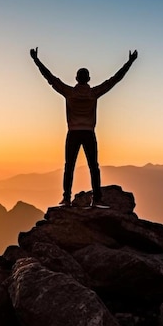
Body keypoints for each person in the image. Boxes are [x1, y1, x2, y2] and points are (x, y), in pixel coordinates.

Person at [30, 47, 138, 207]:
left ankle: (66, 198)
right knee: (93, 166)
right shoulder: (94, 93)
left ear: (76, 78)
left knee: (69, 166)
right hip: (89, 133)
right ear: (89, 78)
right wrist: (130, 62)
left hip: (73, 133)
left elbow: (50, 78)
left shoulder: (69, 92)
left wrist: (36, 60)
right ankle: (97, 199)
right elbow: (115, 80)